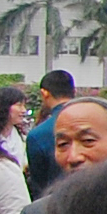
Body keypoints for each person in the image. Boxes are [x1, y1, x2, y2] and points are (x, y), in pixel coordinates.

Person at [22, 67, 76, 195]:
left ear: (44, 93)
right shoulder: (98, 123)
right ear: (74, 91)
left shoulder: (38, 134)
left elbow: (39, 185)